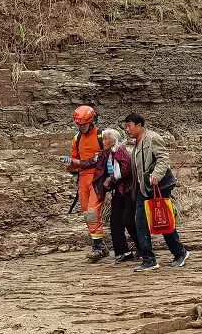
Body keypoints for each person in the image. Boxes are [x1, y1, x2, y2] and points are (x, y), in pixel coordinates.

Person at [123, 113, 190, 272]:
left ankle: (180, 252)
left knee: (163, 221)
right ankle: (149, 259)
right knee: (141, 223)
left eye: (129, 125)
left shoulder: (152, 138)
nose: (127, 129)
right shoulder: (137, 143)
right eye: (126, 126)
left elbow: (163, 158)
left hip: (157, 187)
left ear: (139, 125)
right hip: (143, 189)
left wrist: (156, 175)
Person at [62, 105, 109, 261]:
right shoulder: (77, 138)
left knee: (92, 211)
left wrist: (76, 161)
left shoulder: (102, 136)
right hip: (83, 179)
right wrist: (70, 164)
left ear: (91, 121)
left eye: (83, 124)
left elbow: (97, 160)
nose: (81, 127)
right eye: (79, 124)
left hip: (97, 179)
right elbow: (75, 163)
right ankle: (98, 243)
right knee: (86, 213)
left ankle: (98, 247)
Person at [98, 129, 141, 263]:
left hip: (128, 189)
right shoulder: (108, 154)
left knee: (128, 219)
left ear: (113, 140)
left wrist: (111, 179)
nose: (103, 141)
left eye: (106, 139)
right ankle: (122, 252)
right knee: (115, 221)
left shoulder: (121, 151)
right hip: (119, 190)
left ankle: (143, 247)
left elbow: (126, 169)